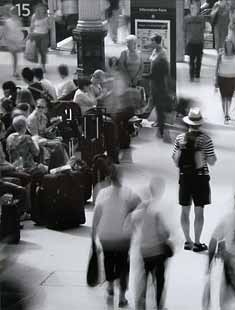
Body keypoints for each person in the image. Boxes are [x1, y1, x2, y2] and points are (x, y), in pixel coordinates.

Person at [91, 165, 141, 308]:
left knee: (108, 260)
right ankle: (122, 297)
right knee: (123, 266)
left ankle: (110, 286)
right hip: (122, 238)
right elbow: (140, 204)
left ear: (109, 178)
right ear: (121, 178)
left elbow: (96, 217)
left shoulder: (102, 193)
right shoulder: (128, 193)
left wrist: (93, 236)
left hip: (105, 236)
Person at [172, 108, 217, 252]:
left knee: (185, 210)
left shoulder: (180, 138)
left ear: (188, 123)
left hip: (184, 177)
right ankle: (197, 242)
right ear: (200, 123)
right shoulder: (206, 139)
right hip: (201, 178)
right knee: (199, 211)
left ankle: (187, 241)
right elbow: (211, 161)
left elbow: (174, 160)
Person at [136, 177, 172, 310]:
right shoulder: (161, 208)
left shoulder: (143, 206)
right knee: (160, 280)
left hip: (144, 250)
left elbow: (130, 222)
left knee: (144, 276)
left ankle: (141, 302)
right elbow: (165, 233)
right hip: (158, 251)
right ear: (161, 191)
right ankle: (159, 305)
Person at [148, 34, 171, 139]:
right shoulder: (154, 51)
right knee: (154, 101)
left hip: (159, 82)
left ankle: (161, 125)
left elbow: (166, 70)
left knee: (159, 103)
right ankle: (158, 121)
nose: (150, 43)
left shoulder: (163, 53)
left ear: (156, 42)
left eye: (152, 41)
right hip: (153, 81)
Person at [215, 39, 235, 124]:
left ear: (232, 46)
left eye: (230, 44)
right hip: (222, 77)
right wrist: (215, 80)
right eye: (227, 44)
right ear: (225, 45)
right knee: (223, 97)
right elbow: (216, 68)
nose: (229, 46)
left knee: (229, 97)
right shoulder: (221, 55)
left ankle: (227, 112)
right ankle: (225, 114)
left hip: (232, 78)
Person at [184, 2, 206, 82]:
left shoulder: (202, 18)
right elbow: (184, 30)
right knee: (191, 60)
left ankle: (197, 75)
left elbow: (203, 29)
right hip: (190, 42)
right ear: (190, 9)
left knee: (199, 60)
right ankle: (191, 75)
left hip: (199, 42)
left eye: (195, 8)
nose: (194, 10)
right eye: (192, 8)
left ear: (198, 9)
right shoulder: (186, 19)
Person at [3, 5, 24, 78]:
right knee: (15, 56)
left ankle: (15, 71)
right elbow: (5, 32)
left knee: (16, 57)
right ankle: (15, 71)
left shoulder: (18, 20)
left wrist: (19, 41)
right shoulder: (8, 21)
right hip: (11, 41)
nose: (14, 12)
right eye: (13, 11)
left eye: (15, 11)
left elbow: (19, 31)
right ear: (10, 13)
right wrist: (6, 41)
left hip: (16, 41)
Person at [29, 3, 50, 72]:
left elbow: (50, 27)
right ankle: (36, 66)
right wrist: (30, 35)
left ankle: (43, 67)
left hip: (44, 36)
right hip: (35, 35)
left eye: (43, 8)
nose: (42, 9)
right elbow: (31, 26)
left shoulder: (47, 16)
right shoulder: (34, 16)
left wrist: (49, 23)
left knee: (43, 52)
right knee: (35, 52)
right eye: (40, 8)